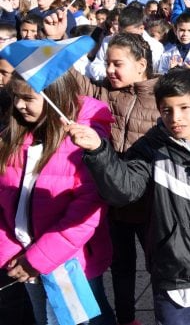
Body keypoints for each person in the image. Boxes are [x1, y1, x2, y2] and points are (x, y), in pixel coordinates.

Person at [78, 67, 190, 325]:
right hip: (172, 268)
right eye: (167, 110)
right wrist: (98, 153)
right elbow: (124, 191)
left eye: (185, 108)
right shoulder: (150, 150)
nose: (176, 117)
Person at [0, 70, 115, 325]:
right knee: (44, 318)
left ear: (54, 97)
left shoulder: (82, 144)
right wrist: (11, 252)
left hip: (70, 265)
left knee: (83, 320)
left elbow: (85, 215)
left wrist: (38, 258)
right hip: (21, 258)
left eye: (28, 98)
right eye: (15, 97)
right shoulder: (10, 139)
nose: (19, 105)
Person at [77, 33, 160, 325]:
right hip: (112, 202)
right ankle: (127, 319)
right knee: (121, 268)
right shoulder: (104, 93)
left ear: (141, 65)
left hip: (151, 203)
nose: (110, 70)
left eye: (117, 64)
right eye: (107, 63)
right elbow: (74, 82)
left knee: (159, 268)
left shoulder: (162, 98)